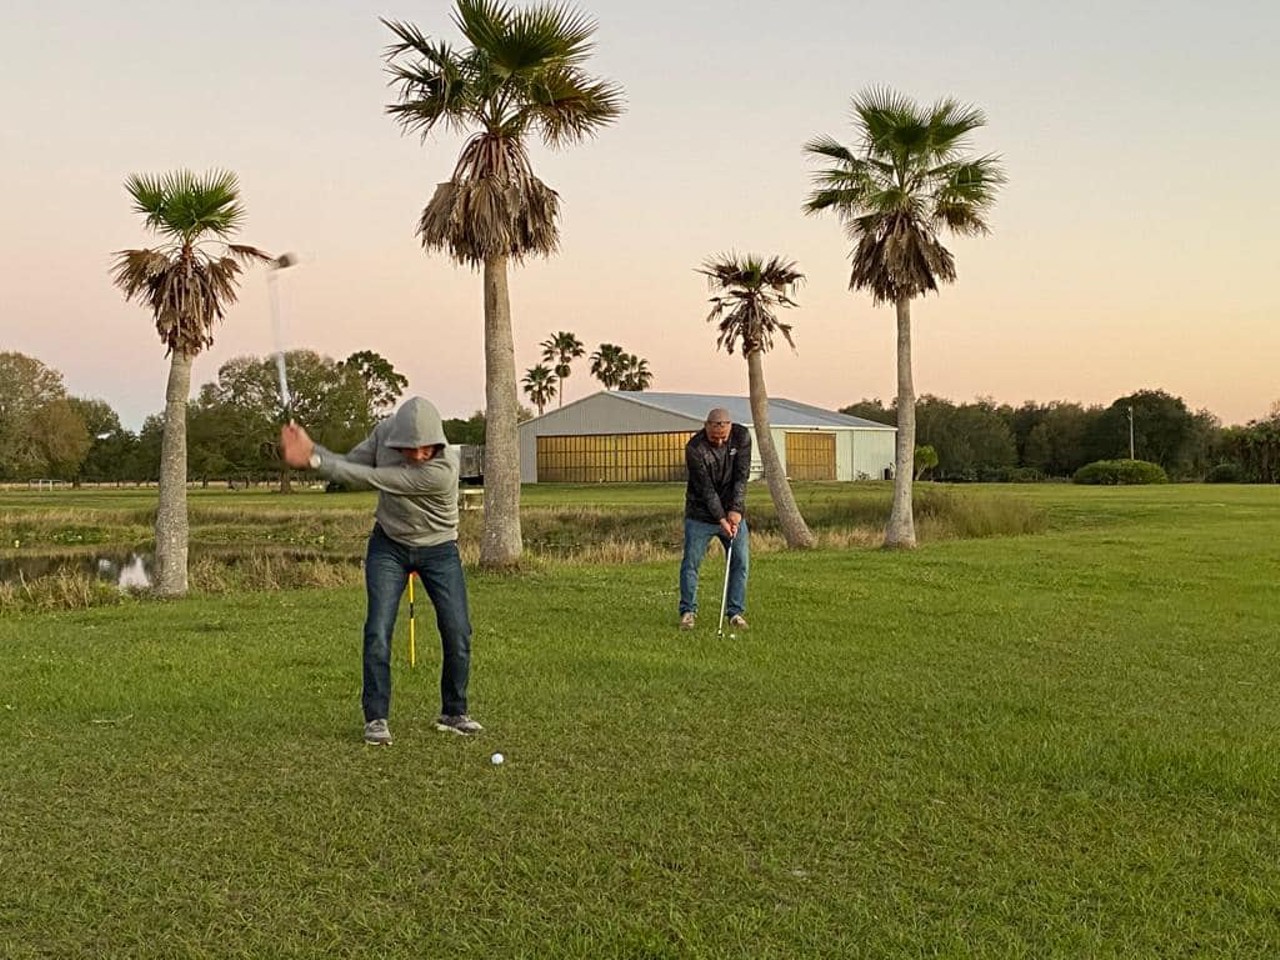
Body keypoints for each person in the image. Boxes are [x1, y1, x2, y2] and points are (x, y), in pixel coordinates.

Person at [279, 397, 481, 745]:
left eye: (424, 449)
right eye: (408, 448)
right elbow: (349, 465)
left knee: (458, 631)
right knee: (377, 630)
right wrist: (313, 447)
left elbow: (372, 477)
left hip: (439, 548)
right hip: (389, 545)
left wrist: (312, 459)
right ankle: (376, 719)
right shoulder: (383, 434)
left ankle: (453, 712)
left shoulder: (443, 468)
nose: (417, 456)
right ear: (396, 438)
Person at [679, 407, 751, 631]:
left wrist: (735, 511)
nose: (718, 442)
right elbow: (706, 489)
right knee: (691, 563)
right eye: (713, 437)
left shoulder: (742, 437)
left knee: (740, 562)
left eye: (723, 438)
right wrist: (721, 519)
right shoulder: (694, 447)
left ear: (729, 427)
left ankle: (735, 613)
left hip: (733, 513)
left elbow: (741, 476)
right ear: (706, 426)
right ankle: (688, 612)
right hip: (700, 514)